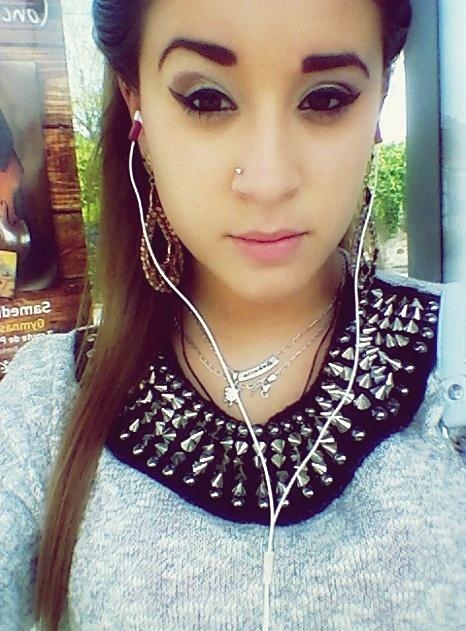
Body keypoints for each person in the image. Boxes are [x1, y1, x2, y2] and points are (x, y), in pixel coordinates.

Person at [0, 1, 464, 629]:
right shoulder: (47, 404)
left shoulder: (452, 361)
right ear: (137, 104)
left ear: (379, 100)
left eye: (326, 98)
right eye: (208, 99)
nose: (268, 181)